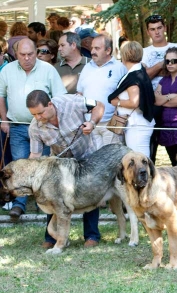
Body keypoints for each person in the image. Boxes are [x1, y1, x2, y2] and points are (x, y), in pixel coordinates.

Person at [26, 90, 104, 248]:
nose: (37, 118)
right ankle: (51, 238)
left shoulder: (71, 102)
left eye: (40, 113)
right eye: (34, 115)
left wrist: (92, 123)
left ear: (50, 104)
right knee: (52, 195)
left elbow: (99, 106)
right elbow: (35, 154)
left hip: (87, 153)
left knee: (88, 191)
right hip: (60, 161)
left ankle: (92, 236)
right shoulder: (34, 127)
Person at [0, 38, 66, 221]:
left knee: (42, 167)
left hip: (43, 127)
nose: (27, 58)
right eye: (23, 55)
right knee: (20, 165)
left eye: (31, 54)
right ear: (16, 54)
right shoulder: (7, 70)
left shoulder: (48, 69)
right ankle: (19, 204)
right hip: (18, 126)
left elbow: (59, 97)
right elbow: (1, 95)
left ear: (36, 53)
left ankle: (43, 204)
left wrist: (54, 122)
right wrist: (3, 121)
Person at [77, 34, 128, 150]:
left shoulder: (120, 68)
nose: (92, 51)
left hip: (110, 125)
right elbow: (79, 93)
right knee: (93, 162)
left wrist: (118, 122)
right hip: (89, 125)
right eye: (92, 48)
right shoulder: (86, 68)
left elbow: (125, 96)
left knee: (111, 162)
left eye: (97, 48)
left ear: (108, 50)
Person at [107, 41, 155, 157]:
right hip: (135, 124)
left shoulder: (134, 75)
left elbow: (134, 102)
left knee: (140, 160)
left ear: (124, 56)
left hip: (137, 125)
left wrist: (116, 102)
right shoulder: (138, 71)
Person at [153, 46, 177, 165]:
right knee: (173, 162)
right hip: (166, 127)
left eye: (174, 61)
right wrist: (170, 96)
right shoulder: (163, 80)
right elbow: (155, 100)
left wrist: (163, 99)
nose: (170, 64)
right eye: (167, 61)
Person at [141, 14, 177, 91]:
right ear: (148, 32)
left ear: (165, 28)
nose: (157, 32)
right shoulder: (143, 52)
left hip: (176, 95)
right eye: (152, 29)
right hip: (151, 98)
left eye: (159, 28)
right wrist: (162, 64)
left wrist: (152, 71)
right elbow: (144, 78)